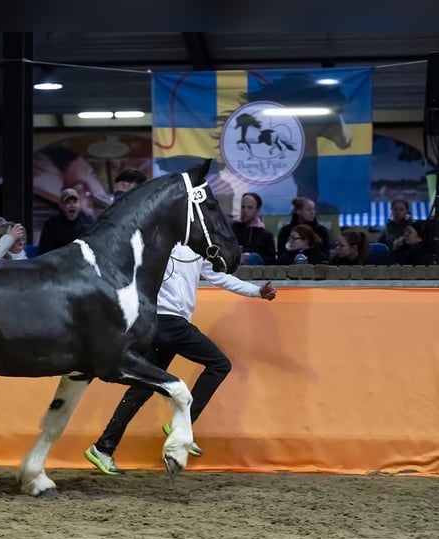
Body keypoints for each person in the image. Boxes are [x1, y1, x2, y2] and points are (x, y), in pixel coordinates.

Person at [84, 243, 277, 475]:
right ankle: (181, 425)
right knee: (219, 364)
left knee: (141, 389)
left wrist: (256, 291)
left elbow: (220, 278)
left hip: (161, 324)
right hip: (168, 323)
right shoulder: (159, 243)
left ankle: (103, 447)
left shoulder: (196, 249)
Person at [37, 188, 93, 255]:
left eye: (75, 202)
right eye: (68, 202)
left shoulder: (87, 223)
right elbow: (45, 252)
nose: (72, 205)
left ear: (79, 205)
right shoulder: (51, 224)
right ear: (61, 205)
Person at [231, 192, 277, 265]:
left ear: (258, 210)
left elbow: (271, 259)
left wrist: (252, 258)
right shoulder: (231, 230)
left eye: (250, 207)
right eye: (243, 207)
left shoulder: (266, 235)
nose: (245, 211)